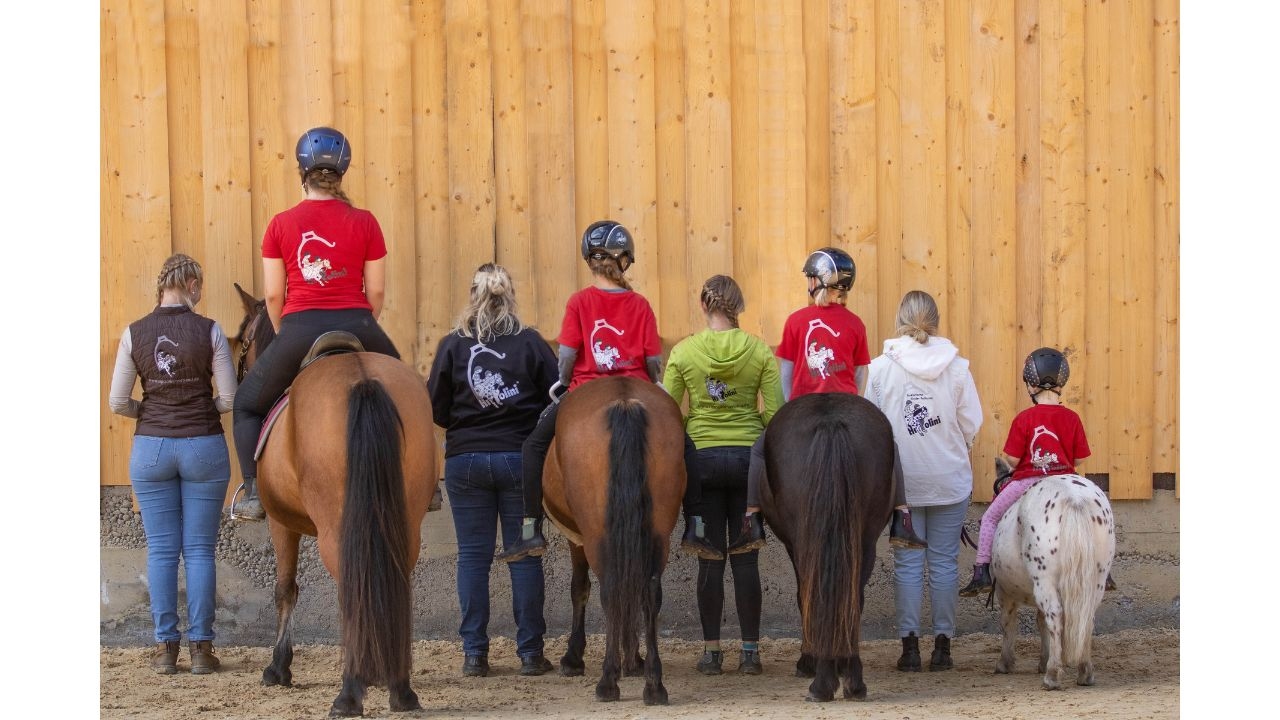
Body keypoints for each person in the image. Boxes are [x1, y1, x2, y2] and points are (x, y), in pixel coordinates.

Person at [497, 220, 722, 563]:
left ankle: (530, 528)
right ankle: (696, 524)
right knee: (684, 444)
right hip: (639, 385)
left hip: (586, 386)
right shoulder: (641, 304)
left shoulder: (579, 302)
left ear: (590, 260)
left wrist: (565, 379)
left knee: (533, 446)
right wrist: (649, 379)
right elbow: (652, 360)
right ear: (625, 261)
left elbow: (568, 353)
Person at [230, 126, 401, 520]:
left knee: (246, 405)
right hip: (359, 322)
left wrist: (287, 329)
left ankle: (253, 493)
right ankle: (426, 488)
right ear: (343, 172)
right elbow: (375, 293)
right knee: (412, 391)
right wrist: (359, 323)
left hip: (299, 328)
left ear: (300, 172)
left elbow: (273, 297)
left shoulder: (280, 225)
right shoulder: (367, 222)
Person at [727, 247, 927, 553]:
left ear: (819, 281)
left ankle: (752, 518)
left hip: (803, 406)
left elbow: (786, 373)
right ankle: (902, 516)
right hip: (847, 405)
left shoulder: (796, 321)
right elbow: (861, 374)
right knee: (891, 446)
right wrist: (853, 402)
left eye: (810, 277)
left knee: (759, 449)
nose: (808, 283)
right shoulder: (856, 323)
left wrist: (787, 410)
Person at [428, 263, 559, 678]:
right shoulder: (532, 343)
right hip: (521, 460)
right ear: (511, 295)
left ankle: (474, 655)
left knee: (472, 558)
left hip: (465, 462)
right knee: (524, 556)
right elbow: (557, 397)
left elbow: (435, 408)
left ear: (472, 295)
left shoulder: (452, 345)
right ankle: (531, 654)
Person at [108, 254, 236, 675]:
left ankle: (166, 650)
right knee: (200, 550)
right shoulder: (211, 330)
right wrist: (205, 406)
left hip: (152, 449)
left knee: (162, 550)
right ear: (193, 283)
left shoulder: (134, 332)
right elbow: (231, 400)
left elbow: (116, 402)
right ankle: (201, 649)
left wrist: (149, 409)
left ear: (162, 285)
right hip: (203, 444)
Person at [664, 275, 784, 676]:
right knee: (746, 561)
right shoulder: (759, 351)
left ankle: (712, 653)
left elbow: (668, 413)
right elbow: (774, 414)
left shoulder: (683, 352)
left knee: (710, 559)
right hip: (749, 463)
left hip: (701, 461)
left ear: (704, 303)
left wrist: (695, 422)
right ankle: (750, 653)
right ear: (739, 306)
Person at [865, 290, 983, 672]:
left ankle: (910, 648)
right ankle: (944, 648)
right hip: (949, 478)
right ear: (935, 319)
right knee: (945, 564)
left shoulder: (881, 368)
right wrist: (955, 447)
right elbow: (971, 425)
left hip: (904, 485)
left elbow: (873, 424)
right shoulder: (958, 367)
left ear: (901, 318)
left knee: (908, 564)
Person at [959, 347, 1091, 597]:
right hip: (1065, 480)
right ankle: (1101, 571)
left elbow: (1012, 458)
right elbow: (1080, 458)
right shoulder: (1072, 418)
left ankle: (981, 571)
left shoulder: (1024, 419)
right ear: (1062, 381)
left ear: (1030, 385)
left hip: (1028, 482)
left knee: (989, 518)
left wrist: (1014, 463)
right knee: (1088, 516)